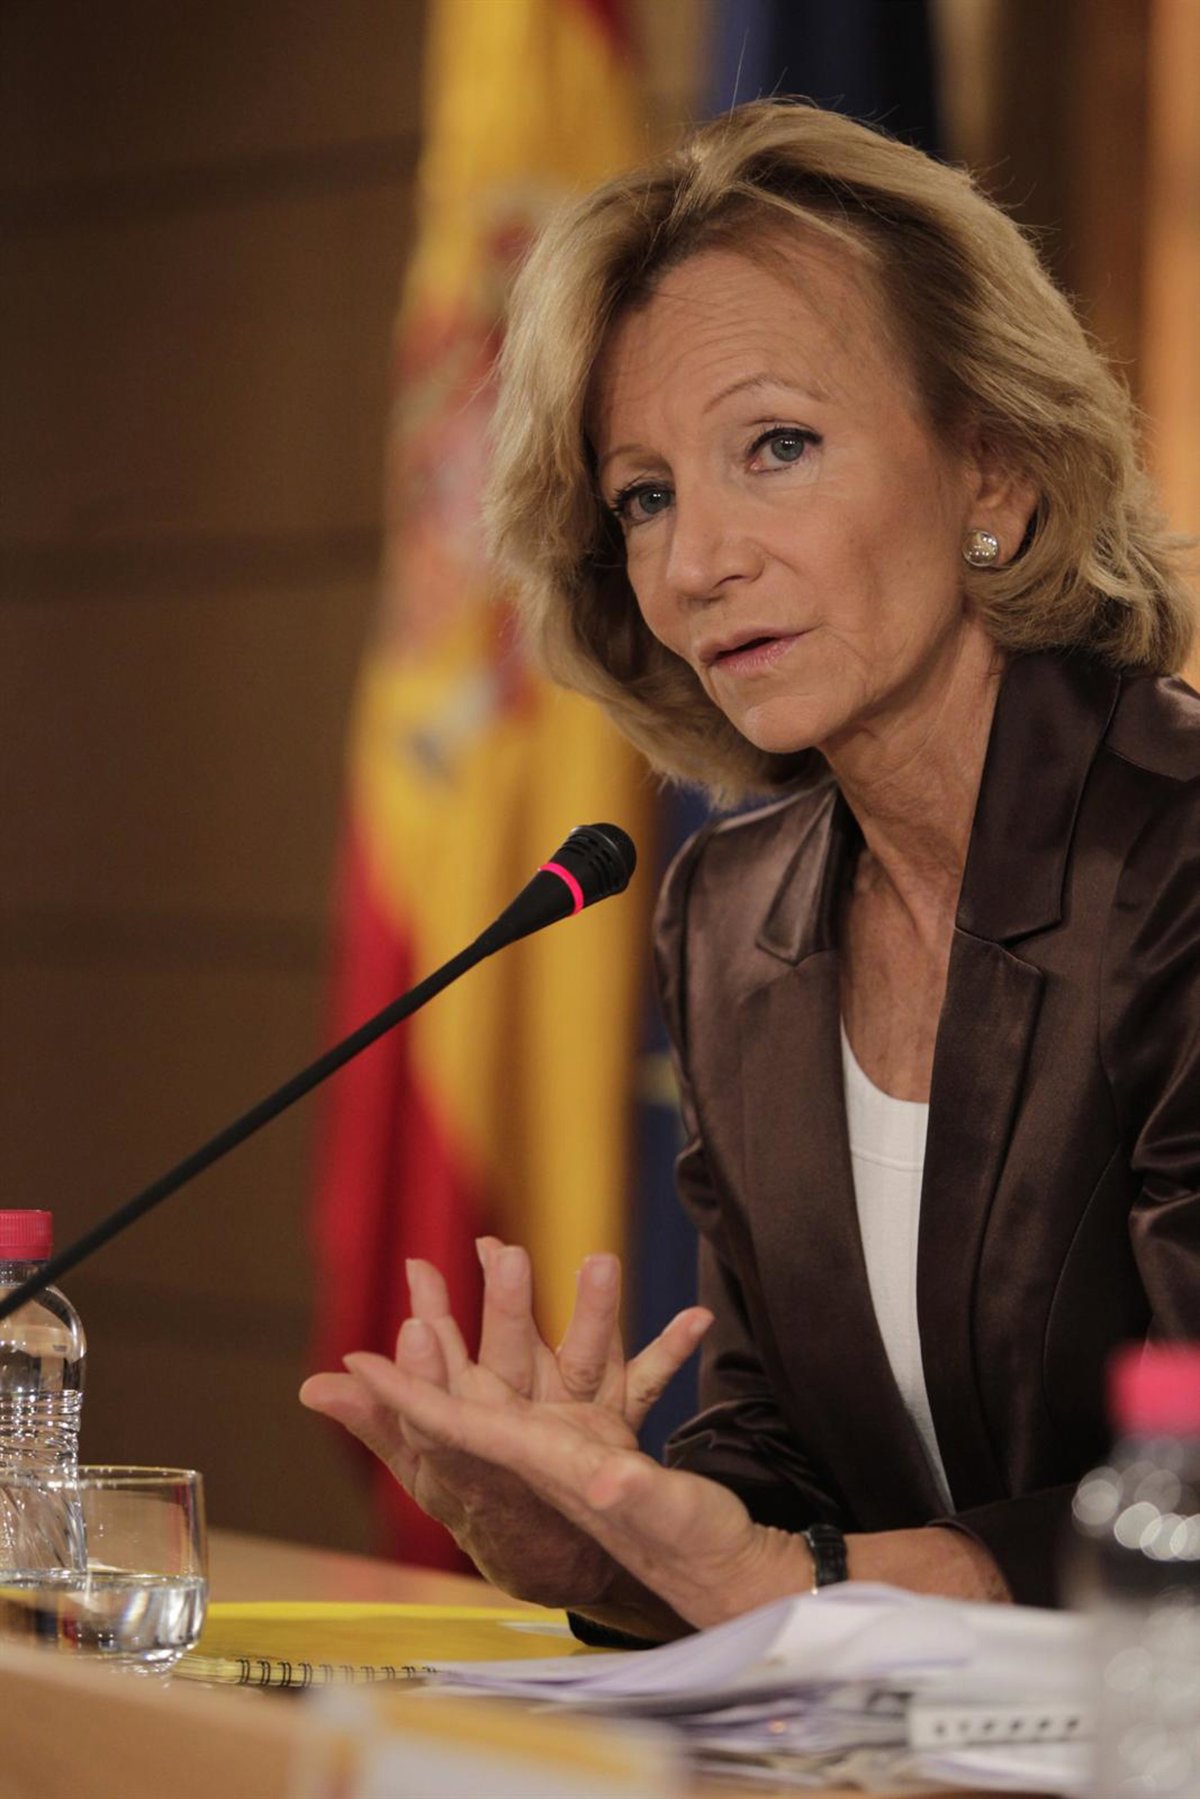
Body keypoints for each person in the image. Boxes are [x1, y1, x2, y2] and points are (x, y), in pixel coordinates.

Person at [301, 100, 1199, 1641]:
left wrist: (809, 1586)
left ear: (993, 469)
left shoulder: (1176, 857)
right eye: (644, 495)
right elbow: (784, 1451)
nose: (696, 561)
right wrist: (611, 1540)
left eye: (775, 447)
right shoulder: (732, 915)